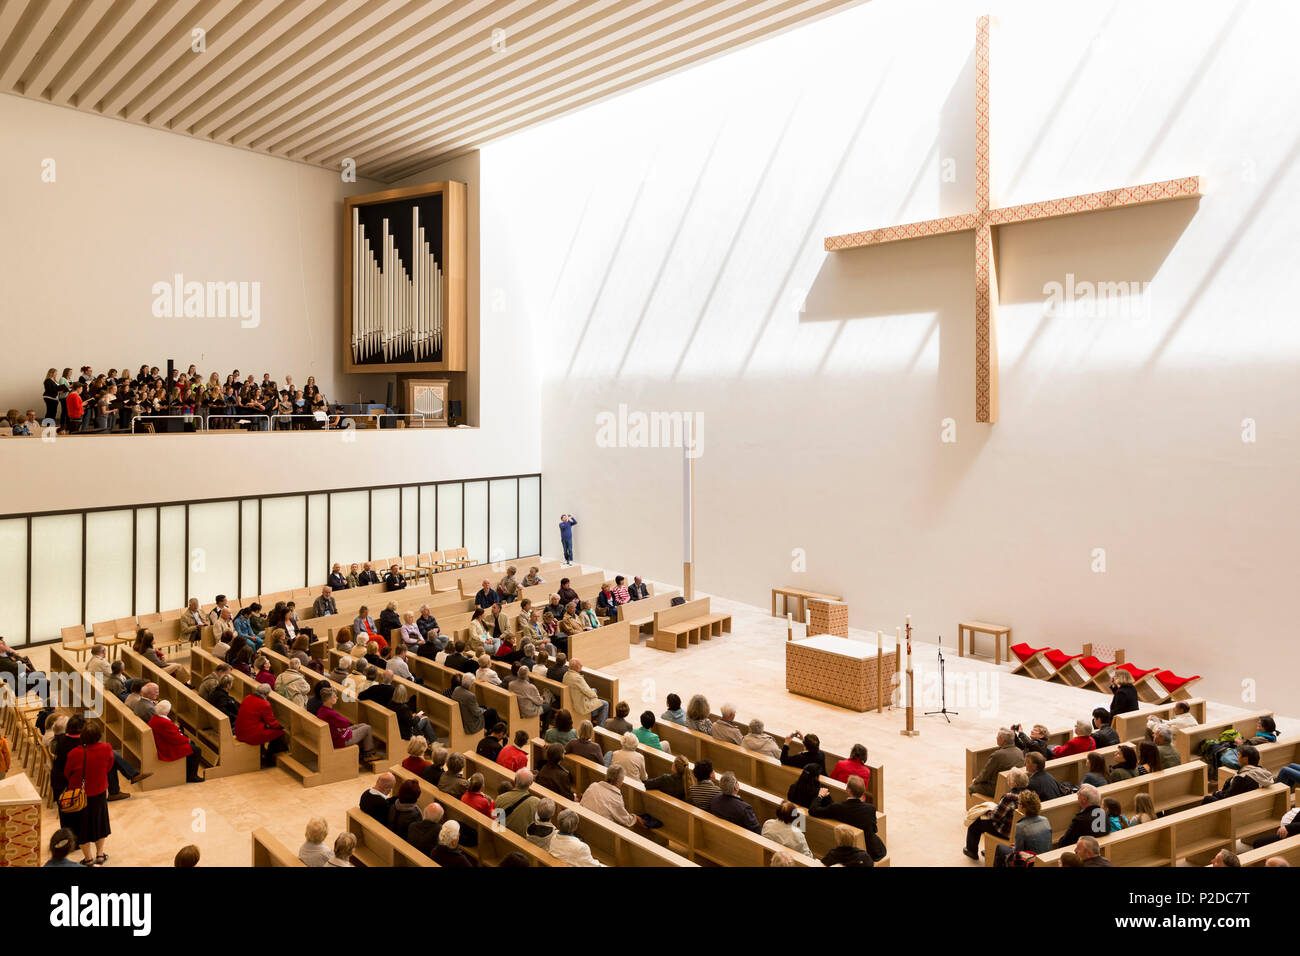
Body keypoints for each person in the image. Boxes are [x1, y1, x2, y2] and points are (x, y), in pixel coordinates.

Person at [61, 721, 115, 865]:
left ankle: (88, 858)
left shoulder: (74, 753)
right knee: (100, 823)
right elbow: (109, 766)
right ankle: (100, 854)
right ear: (99, 735)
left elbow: (67, 773)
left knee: (82, 826)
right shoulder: (106, 748)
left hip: (80, 794)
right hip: (99, 791)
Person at [964, 768, 1028, 860]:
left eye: (1009, 778)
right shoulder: (1028, 793)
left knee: (976, 822)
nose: (1008, 780)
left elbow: (995, 817)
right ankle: (989, 849)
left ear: (1013, 783)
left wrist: (987, 811)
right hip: (1020, 831)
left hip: (1006, 831)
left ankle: (971, 850)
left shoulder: (1009, 796)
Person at [317, 687, 377, 768]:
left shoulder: (321, 709)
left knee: (361, 725)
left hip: (335, 735)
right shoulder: (330, 713)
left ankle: (363, 751)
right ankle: (368, 754)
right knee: (367, 728)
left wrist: (342, 728)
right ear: (329, 699)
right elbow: (346, 723)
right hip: (339, 740)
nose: (337, 698)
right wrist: (343, 728)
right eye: (334, 697)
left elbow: (342, 724)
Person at [149, 700, 205, 782]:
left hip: (162, 742)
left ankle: (188, 772)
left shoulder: (155, 718)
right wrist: (187, 739)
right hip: (167, 748)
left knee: (192, 746)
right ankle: (192, 776)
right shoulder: (164, 722)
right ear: (167, 711)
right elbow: (175, 739)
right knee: (196, 750)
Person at [234, 684, 287, 766]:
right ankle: (269, 758)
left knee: (263, 728)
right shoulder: (264, 704)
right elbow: (272, 723)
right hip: (250, 736)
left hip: (239, 731)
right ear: (267, 694)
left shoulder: (247, 697)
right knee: (279, 732)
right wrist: (283, 727)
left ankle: (262, 751)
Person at [994, 790, 1051, 866]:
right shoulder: (1045, 820)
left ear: (1024, 808)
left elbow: (1017, 852)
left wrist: (1015, 847)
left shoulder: (1021, 826)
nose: (1018, 805)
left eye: (1019, 803)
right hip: (1043, 857)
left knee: (1000, 848)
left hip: (1029, 861)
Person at [1202, 744, 1274, 803]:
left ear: (1245, 759)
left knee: (1207, 799)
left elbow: (1228, 796)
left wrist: (1216, 793)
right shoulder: (1261, 771)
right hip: (1252, 803)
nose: (1237, 757)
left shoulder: (1242, 778)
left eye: (1239, 755)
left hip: (1237, 806)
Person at [564, 658, 609, 728]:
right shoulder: (577, 678)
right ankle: (600, 728)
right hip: (581, 705)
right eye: (579, 664)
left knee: (594, 690)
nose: (582, 665)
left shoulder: (566, 674)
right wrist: (595, 697)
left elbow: (586, 690)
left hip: (576, 698)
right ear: (575, 667)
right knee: (605, 704)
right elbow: (590, 693)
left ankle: (592, 713)